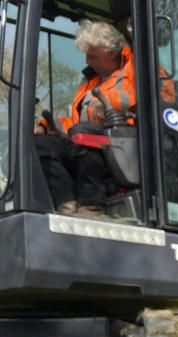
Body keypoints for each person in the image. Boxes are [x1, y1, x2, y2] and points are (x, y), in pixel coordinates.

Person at [34, 20, 135, 217]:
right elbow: (75, 121)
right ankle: (66, 202)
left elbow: (152, 96)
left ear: (111, 52)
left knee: (84, 133)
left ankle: (92, 205)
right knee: (40, 144)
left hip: (122, 147)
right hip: (87, 148)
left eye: (93, 55)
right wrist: (47, 126)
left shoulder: (138, 68)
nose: (88, 61)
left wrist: (109, 104)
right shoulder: (90, 82)